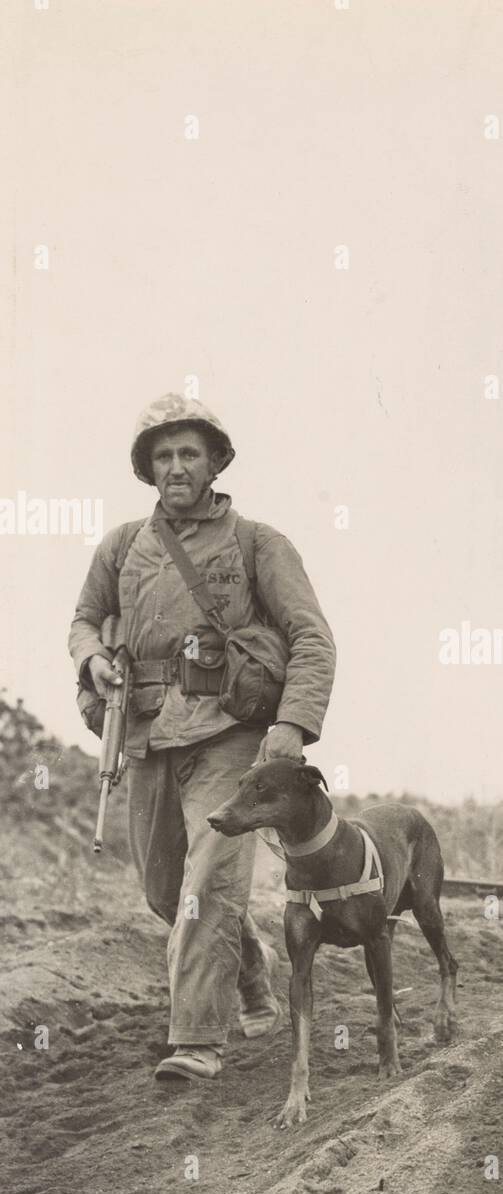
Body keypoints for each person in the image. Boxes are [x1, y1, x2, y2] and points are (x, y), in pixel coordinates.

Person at [69, 393, 336, 1081]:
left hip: (231, 737)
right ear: (147, 468)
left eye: (190, 453)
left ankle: (194, 1040)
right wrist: (91, 657)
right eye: (163, 455)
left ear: (216, 461)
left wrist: (291, 724)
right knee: (165, 891)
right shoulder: (122, 545)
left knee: (210, 882)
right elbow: (84, 620)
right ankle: (249, 964)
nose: (177, 466)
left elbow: (311, 637)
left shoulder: (258, 543)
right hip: (148, 734)